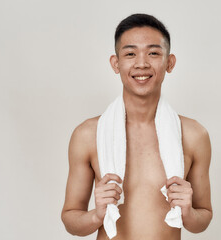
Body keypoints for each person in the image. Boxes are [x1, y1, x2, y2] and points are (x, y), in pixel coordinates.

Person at [61, 13, 213, 239]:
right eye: (130, 53)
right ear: (116, 63)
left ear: (169, 62)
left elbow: (204, 216)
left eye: (153, 53)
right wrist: (96, 215)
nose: (141, 63)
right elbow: (70, 218)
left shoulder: (192, 135)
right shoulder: (88, 134)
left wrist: (188, 212)